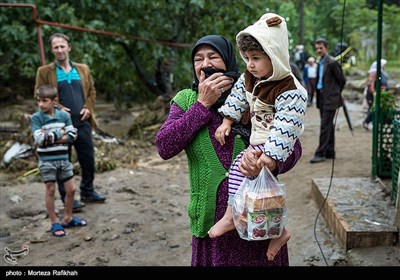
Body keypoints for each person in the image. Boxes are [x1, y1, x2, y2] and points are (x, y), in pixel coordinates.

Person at [156, 26, 302, 267]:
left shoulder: (255, 92)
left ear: (229, 61)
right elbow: (164, 146)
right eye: (198, 59)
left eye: (213, 57)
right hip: (213, 225)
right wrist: (202, 104)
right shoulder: (186, 101)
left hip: (259, 219)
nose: (205, 64)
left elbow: (292, 144)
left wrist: (270, 161)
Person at [207, 13, 307, 262]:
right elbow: (238, 97)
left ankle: (231, 217)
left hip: (270, 144)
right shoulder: (251, 78)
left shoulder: (290, 89)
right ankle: (279, 231)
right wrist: (227, 121)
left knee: (243, 174)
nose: (250, 65)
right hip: (258, 143)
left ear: (275, 57)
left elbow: (287, 126)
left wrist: (270, 156)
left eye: (256, 58)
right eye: (247, 58)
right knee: (262, 195)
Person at [34, 33, 106, 211]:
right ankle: (68, 199)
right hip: (59, 125)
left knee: (88, 159)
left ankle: (88, 192)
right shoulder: (44, 72)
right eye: (56, 47)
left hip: (82, 122)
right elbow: (40, 93)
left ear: (69, 47)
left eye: (62, 46)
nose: (59, 50)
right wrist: (57, 106)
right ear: (52, 50)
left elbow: (92, 91)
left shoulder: (83, 69)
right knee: (62, 162)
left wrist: (88, 107)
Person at [31, 84, 87, 237]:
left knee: (71, 189)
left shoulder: (64, 116)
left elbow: (72, 136)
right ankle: (54, 222)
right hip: (47, 161)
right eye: (38, 101)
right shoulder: (36, 118)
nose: (41, 104)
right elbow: (40, 140)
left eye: (45, 101)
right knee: (50, 190)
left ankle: (68, 218)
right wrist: (60, 132)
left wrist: (51, 136)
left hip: (63, 159)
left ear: (55, 101)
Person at [309, 38, 346, 164]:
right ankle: (330, 151)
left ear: (326, 47)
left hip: (331, 99)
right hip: (322, 99)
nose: (318, 50)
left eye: (321, 48)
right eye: (317, 48)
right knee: (328, 126)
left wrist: (336, 93)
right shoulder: (321, 62)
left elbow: (342, 79)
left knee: (325, 126)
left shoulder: (332, 62)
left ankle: (320, 153)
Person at [362, 59, 389, 131]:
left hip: (377, 94)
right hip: (373, 94)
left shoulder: (380, 73)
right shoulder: (374, 73)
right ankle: (367, 122)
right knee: (373, 109)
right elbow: (371, 85)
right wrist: (374, 93)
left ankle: (374, 124)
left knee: (376, 109)